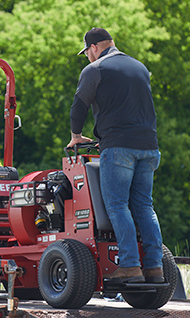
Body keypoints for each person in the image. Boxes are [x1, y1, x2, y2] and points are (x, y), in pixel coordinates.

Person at [67, 27, 164, 284]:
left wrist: (76, 136)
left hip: (119, 149)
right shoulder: (139, 67)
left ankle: (130, 266)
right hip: (149, 146)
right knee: (144, 206)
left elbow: (79, 106)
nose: (87, 57)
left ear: (94, 48)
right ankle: (154, 267)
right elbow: (129, 108)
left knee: (117, 206)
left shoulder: (95, 69)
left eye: (87, 52)